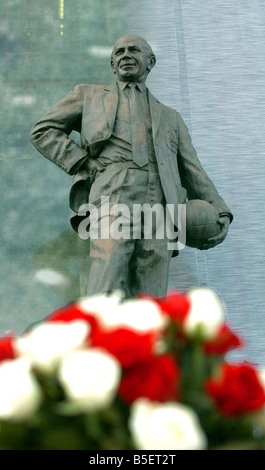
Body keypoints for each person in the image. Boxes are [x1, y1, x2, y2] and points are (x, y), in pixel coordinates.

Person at [29, 34, 233, 298]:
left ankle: (149, 338)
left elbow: (192, 169)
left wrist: (221, 210)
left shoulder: (171, 118)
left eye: (134, 50)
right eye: (119, 52)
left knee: (151, 282)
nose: (125, 55)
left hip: (159, 200)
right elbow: (43, 130)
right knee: (109, 269)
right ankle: (99, 335)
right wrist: (83, 162)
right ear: (113, 65)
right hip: (112, 191)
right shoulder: (87, 96)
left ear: (150, 62)